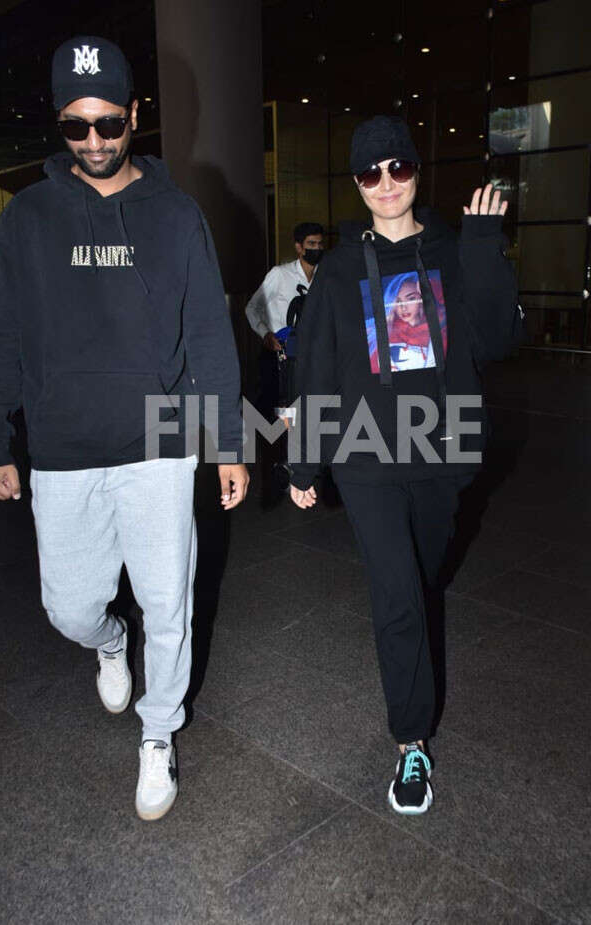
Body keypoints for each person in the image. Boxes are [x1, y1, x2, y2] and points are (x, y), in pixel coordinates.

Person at [0, 35, 249, 821]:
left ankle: (158, 732)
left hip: (160, 441)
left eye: (108, 123)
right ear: (59, 125)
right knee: (70, 605)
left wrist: (226, 442)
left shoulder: (176, 216)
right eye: (75, 126)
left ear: (136, 114)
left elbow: (207, 338)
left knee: (169, 601)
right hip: (62, 447)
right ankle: (106, 640)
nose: (94, 142)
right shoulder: (26, 219)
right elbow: (0, 337)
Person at [289, 114, 522, 815]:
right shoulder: (335, 269)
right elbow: (317, 368)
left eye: (398, 168)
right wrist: (305, 462)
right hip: (366, 455)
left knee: (423, 579)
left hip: (442, 450)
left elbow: (499, 338)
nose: (386, 184)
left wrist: (484, 245)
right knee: (395, 595)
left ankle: (413, 678)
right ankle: (410, 741)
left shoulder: (454, 249)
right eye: (369, 173)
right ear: (357, 185)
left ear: (416, 171)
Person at [245, 222, 324, 419]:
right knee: (273, 405)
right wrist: (265, 335)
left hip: (308, 353)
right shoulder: (280, 274)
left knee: (302, 407)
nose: (317, 249)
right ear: (299, 247)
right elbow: (252, 307)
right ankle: (265, 444)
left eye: (320, 244)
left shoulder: (323, 276)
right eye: (311, 244)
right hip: (278, 351)